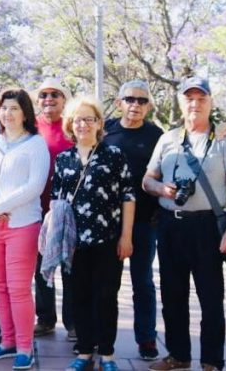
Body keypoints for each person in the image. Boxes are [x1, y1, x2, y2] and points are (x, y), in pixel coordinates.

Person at [143, 77, 226, 371]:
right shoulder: (168, 139)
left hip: (207, 228)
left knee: (211, 297)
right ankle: (178, 355)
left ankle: (212, 360)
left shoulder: (225, 139)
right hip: (171, 225)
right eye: (189, 98)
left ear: (210, 102)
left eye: (201, 98)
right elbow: (147, 179)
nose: (195, 104)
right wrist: (161, 188)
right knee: (172, 295)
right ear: (180, 102)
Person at [56, 96, 135, 371]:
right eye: (77, 119)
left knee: (105, 296)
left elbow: (128, 195)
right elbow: (58, 203)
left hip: (108, 239)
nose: (83, 124)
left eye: (88, 119)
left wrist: (126, 236)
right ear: (70, 124)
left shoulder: (113, 155)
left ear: (99, 123)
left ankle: (108, 354)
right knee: (79, 296)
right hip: (74, 243)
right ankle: (85, 351)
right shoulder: (63, 159)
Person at [0, 88, 49, 370]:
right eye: (4, 108)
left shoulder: (35, 144)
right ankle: (6, 342)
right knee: (0, 286)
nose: (8, 113)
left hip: (22, 225)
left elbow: (35, 186)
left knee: (18, 288)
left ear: (25, 113)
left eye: (14, 108)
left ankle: (24, 347)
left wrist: (2, 205)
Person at [102, 80, 163, 361]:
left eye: (141, 101)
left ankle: (147, 339)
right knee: (106, 285)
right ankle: (103, 341)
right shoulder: (106, 130)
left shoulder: (156, 135)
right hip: (108, 222)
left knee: (143, 282)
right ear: (119, 103)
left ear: (148, 106)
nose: (135, 105)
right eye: (130, 99)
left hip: (144, 222)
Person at [29, 78, 76, 342]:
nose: (49, 99)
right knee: (40, 268)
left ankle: (73, 322)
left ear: (64, 100)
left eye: (55, 94)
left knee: (70, 268)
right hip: (37, 210)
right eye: (44, 95)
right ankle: (45, 319)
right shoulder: (31, 127)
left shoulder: (73, 125)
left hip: (68, 209)